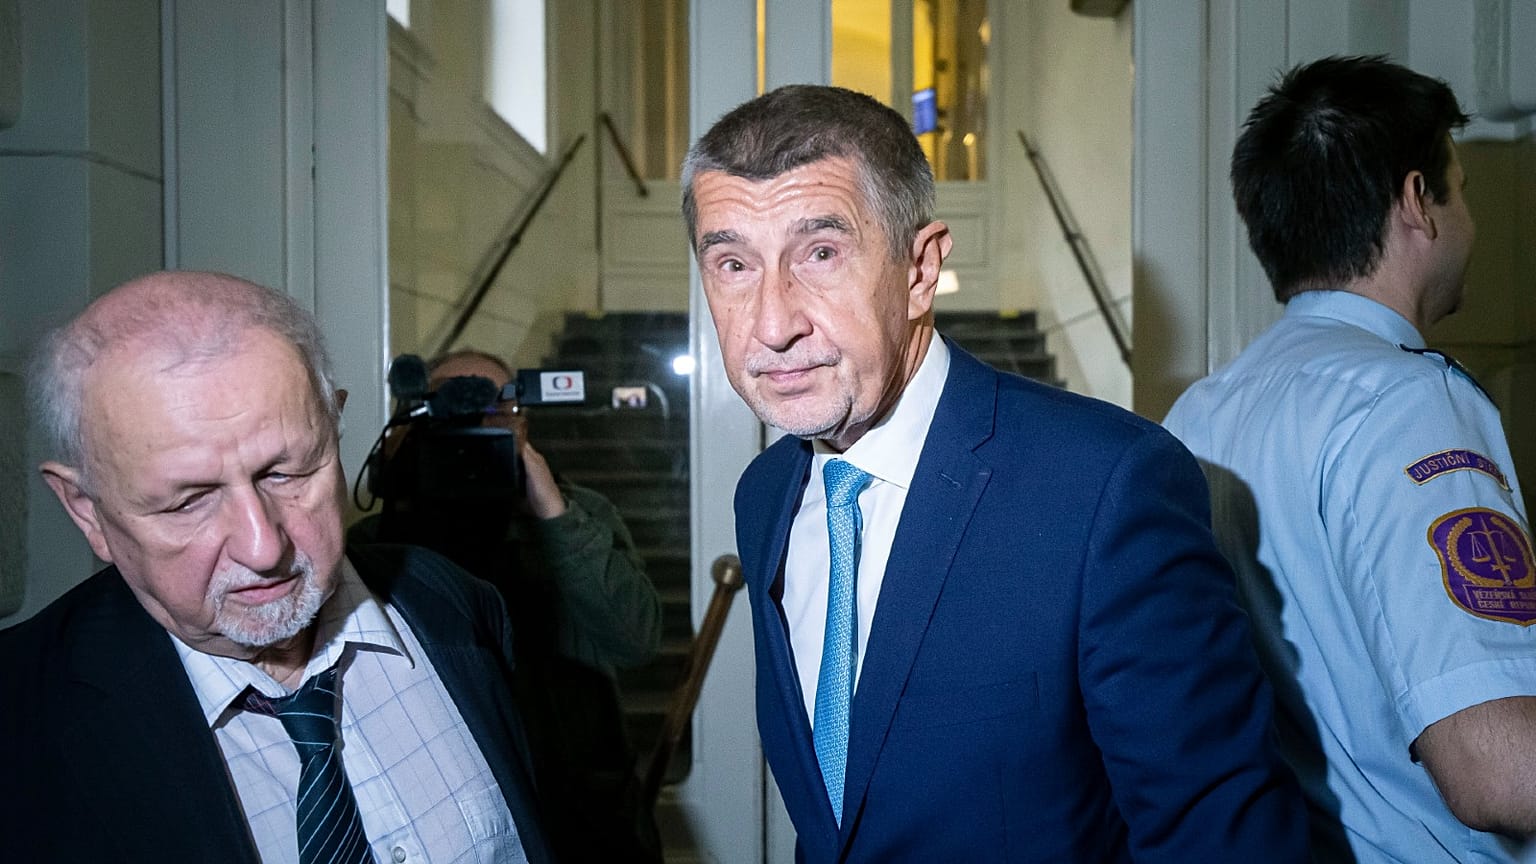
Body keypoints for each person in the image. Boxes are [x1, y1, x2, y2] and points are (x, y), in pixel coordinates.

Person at [683, 83, 1307, 862]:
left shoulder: (1105, 489)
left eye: (821, 253)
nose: (772, 324)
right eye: (734, 263)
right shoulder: (767, 494)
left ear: (921, 269)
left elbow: (1220, 839)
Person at [0, 271, 553, 862]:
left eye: (286, 472)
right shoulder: (20, 718)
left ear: (335, 426)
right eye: (189, 501)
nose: (265, 548)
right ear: (85, 510)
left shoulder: (453, 602)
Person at [1162, 56, 1536, 862]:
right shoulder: (1409, 403)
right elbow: (1499, 770)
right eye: (1460, 188)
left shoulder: (1198, 413)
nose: (1468, 217)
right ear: (1416, 203)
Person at [352, 348, 663, 863]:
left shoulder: (575, 515)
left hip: (576, 797)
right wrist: (404, 480)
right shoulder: (379, 542)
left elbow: (636, 641)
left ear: (524, 420)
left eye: (496, 407)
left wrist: (551, 510)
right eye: (448, 406)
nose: (474, 420)